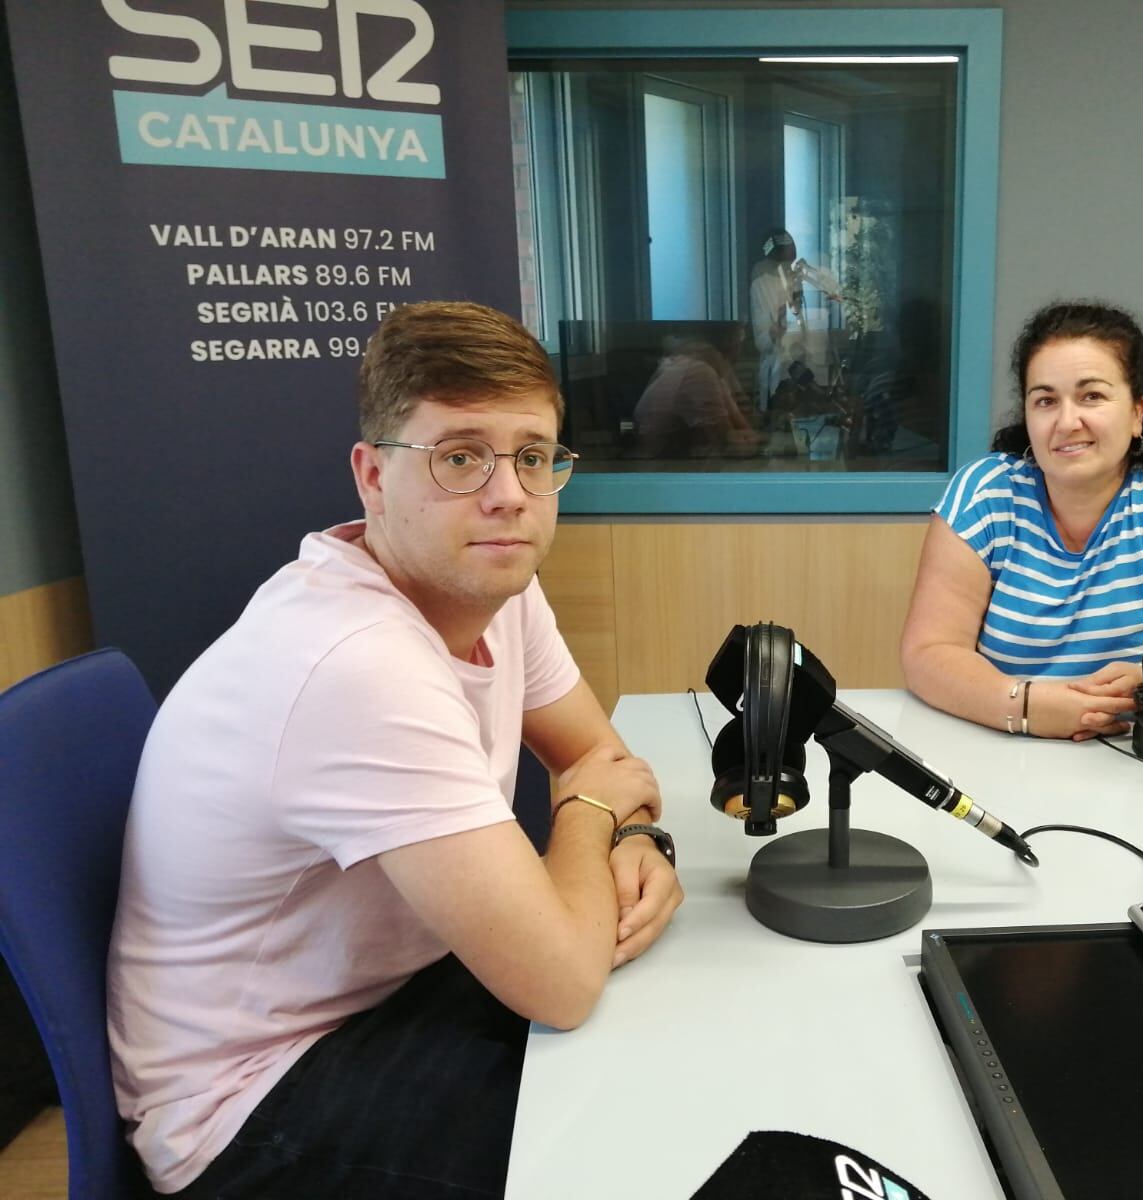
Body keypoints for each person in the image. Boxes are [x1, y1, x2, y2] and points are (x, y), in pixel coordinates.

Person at [107, 301, 683, 1197]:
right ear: (372, 475)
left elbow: (595, 755)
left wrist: (638, 836)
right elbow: (563, 967)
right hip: (250, 1104)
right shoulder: (355, 665)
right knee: (628, 1143)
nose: (509, 495)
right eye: (460, 456)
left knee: (659, 1051)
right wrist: (595, 814)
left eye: (533, 457)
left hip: (392, 995)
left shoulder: (494, 581)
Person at [900, 300, 1143, 741]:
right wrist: (1023, 706)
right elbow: (928, 653)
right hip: (1003, 746)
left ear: (1137, 412)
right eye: (1045, 400)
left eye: (1092, 396)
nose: (1067, 421)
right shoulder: (986, 493)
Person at [749, 227, 842, 411]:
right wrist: (776, 330)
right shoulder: (761, 285)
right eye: (781, 263)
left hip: (812, 370)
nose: (786, 269)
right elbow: (762, 342)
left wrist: (809, 273)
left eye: (788, 264)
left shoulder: (800, 277)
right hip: (782, 373)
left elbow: (836, 292)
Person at [633, 332, 761, 459]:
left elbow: (745, 426)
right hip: (665, 468)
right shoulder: (698, 372)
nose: (743, 338)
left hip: (679, 463)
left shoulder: (699, 365)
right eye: (741, 332)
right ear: (733, 339)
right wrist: (762, 442)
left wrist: (726, 372)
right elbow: (730, 447)